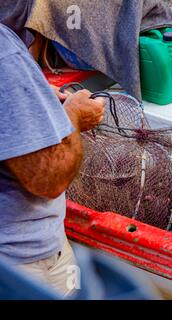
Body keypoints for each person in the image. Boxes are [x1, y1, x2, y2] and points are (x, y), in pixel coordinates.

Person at [0, 21, 105, 296]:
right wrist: (73, 116)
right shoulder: (4, 53)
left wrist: (36, 98)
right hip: (22, 264)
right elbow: (48, 178)